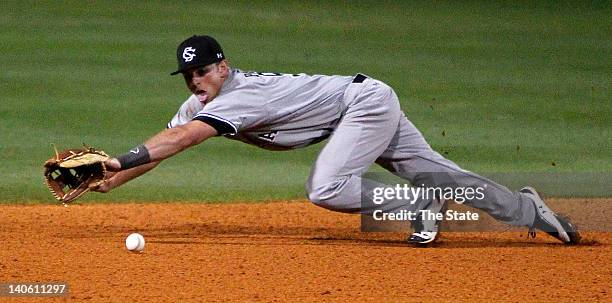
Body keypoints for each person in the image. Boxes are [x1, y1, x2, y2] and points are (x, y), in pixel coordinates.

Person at [95, 35, 580, 245]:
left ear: (223, 66)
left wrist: (117, 159)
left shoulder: (241, 96)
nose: (195, 80)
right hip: (362, 105)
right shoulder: (201, 103)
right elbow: (164, 145)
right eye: (188, 75)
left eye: (203, 71)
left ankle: (417, 205)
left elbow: (181, 141)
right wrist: (110, 179)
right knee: (440, 175)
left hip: (362, 106)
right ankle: (527, 210)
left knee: (326, 187)